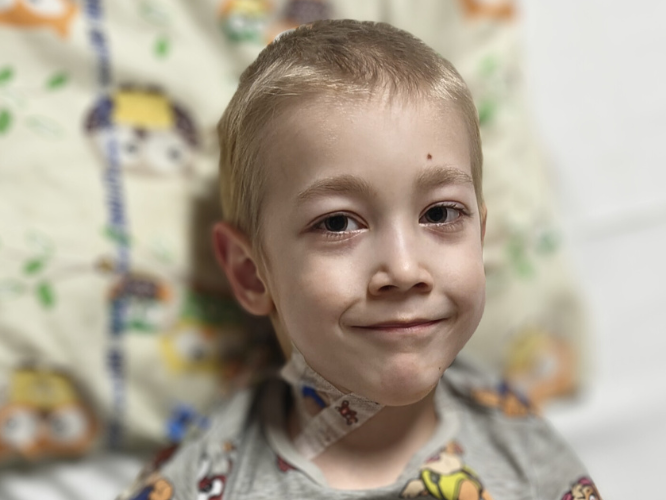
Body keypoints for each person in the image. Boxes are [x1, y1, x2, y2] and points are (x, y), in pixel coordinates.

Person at [118, 19, 600, 500]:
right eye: (337, 223)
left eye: (440, 214)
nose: (405, 270)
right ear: (251, 273)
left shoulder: (529, 459)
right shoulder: (201, 480)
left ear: (480, 235)